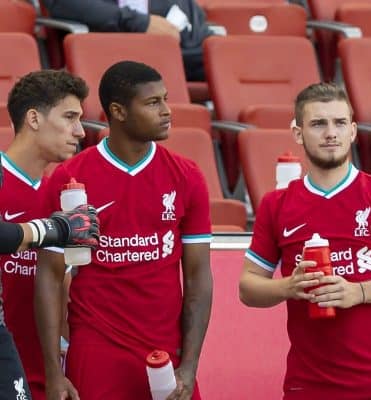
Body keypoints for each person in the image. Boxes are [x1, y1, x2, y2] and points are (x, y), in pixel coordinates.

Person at [239, 82, 371, 400]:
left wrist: (358, 292)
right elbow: (248, 287)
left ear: (353, 130)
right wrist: (288, 287)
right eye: (318, 123)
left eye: (339, 123)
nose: (331, 133)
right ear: (298, 133)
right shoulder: (277, 204)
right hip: (307, 383)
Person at [35, 61, 213, 400]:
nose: (166, 111)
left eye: (165, 99)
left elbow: (198, 277)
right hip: (98, 347)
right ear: (117, 111)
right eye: (152, 103)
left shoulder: (187, 176)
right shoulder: (70, 178)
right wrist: (53, 373)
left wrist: (189, 366)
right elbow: (49, 275)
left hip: (165, 351)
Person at [0, 70, 99, 400]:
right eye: (69, 117)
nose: (80, 131)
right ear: (33, 118)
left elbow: (62, 285)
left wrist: (59, 369)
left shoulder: (65, 196)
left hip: (42, 375)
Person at [44, 0, 212, 81]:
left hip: (170, 55)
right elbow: (62, 3)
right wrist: (138, 22)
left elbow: (193, 18)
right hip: (110, 51)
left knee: (220, 57)